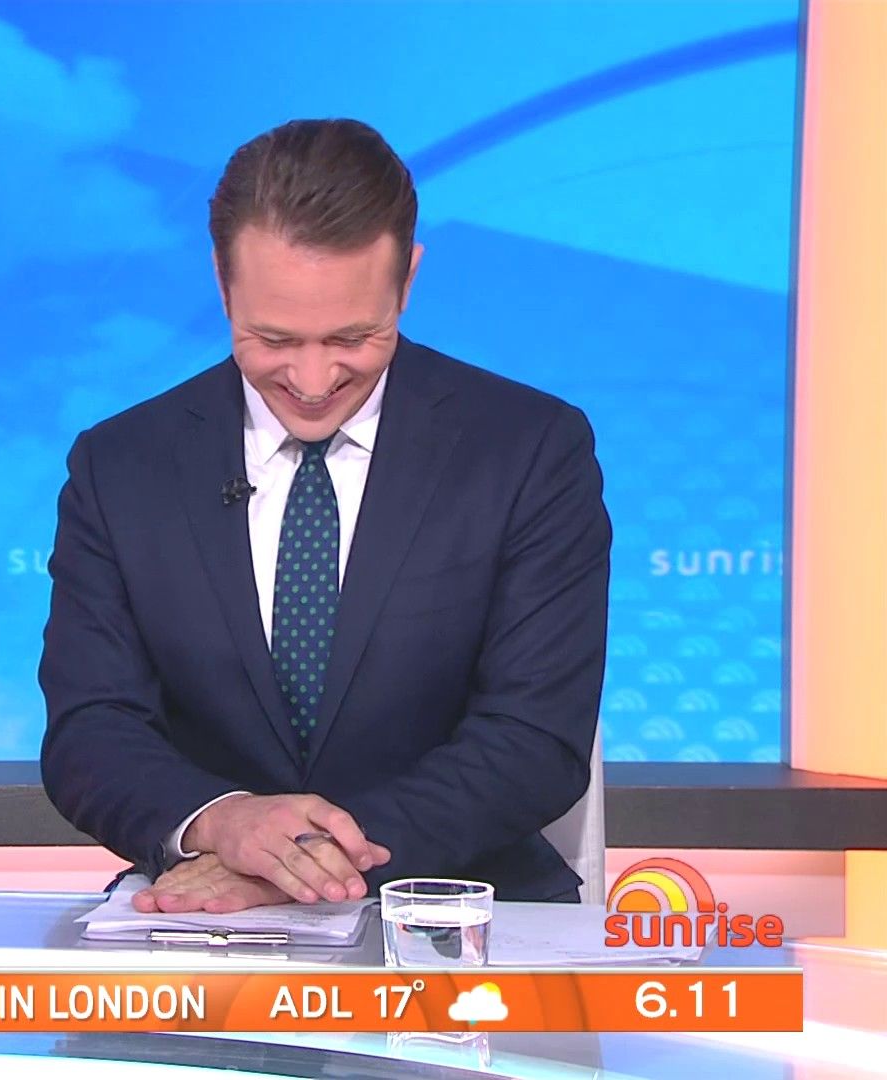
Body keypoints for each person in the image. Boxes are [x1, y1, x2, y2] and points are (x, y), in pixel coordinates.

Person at [38, 118, 609, 911]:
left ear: (406, 280)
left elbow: (533, 738)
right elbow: (91, 730)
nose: (312, 381)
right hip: (201, 911)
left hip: (462, 909)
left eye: (353, 337)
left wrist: (301, 863)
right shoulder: (120, 465)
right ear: (221, 281)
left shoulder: (529, 450)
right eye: (273, 339)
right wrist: (224, 823)